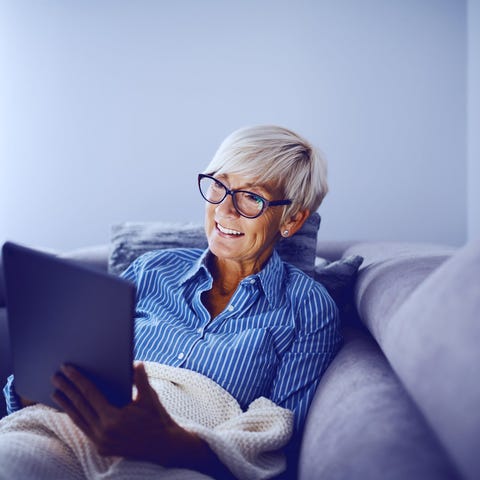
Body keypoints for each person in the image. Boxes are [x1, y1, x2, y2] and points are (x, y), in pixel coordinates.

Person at [1, 125, 341, 479]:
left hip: (183, 461)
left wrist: (169, 442)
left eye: (251, 198)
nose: (225, 210)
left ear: (292, 219)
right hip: (68, 432)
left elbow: (282, 445)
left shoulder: (307, 308)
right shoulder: (151, 269)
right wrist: (41, 383)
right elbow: (43, 382)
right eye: (219, 186)